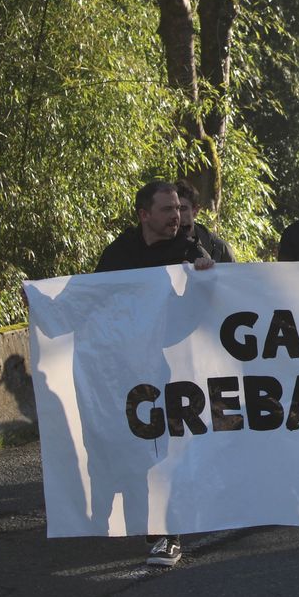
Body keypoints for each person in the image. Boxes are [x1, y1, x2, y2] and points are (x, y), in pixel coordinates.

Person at [95, 180, 217, 567]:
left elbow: (209, 304)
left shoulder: (189, 250)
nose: (176, 216)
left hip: (171, 368)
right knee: (135, 445)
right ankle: (137, 520)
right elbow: (92, 296)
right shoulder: (119, 252)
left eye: (179, 208)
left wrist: (206, 276)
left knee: (166, 449)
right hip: (127, 368)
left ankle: (168, 534)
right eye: (167, 210)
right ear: (144, 214)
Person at [174, 181, 236, 263]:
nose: (176, 215)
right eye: (171, 209)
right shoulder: (159, 247)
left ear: (195, 211)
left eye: (182, 209)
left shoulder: (219, 249)